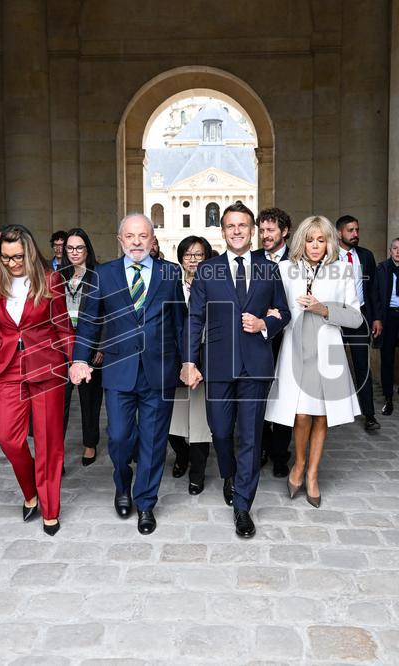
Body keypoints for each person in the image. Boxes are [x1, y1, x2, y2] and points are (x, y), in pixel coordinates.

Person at [70, 214, 185, 536]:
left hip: (159, 370)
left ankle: (146, 502)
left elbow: (180, 322)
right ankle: (123, 485)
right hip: (119, 372)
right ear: (120, 240)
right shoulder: (102, 275)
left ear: (152, 239)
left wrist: (187, 361)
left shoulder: (170, 273)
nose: (137, 242)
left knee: (153, 442)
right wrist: (80, 360)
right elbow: (90, 323)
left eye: (143, 236)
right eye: (130, 236)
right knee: (119, 439)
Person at [182, 201, 291, 539]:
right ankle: (229, 473)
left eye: (243, 225)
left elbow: (284, 313)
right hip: (217, 364)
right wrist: (189, 361)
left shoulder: (268, 268)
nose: (237, 231)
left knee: (250, 435)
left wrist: (263, 323)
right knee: (221, 431)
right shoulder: (208, 269)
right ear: (223, 230)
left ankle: (243, 505)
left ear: (252, 229)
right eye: (231, 226)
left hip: (255, 365)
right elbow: (194, 318)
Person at [264, 216, 362, 508]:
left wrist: (322, 308)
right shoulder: (284, 269)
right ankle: (298, 464)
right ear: (300, 241)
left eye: (321, 240)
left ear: (329, 241)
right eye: (310, 240)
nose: (315, 245)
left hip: (327, 351)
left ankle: (313, 475)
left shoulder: (343, 269)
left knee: (322, 416)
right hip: (295, 349)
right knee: (301, 415)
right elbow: (273, 307)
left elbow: (356, 318)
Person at [0, 225, 73, 536]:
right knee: (9, 439)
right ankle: (30, 491)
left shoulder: (50, 280)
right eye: (6, 258)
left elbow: (64, 327)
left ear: (30, 252)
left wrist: (75, 361)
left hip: (46, 367)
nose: (12, 263)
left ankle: (50, 509)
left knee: (49, 442)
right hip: (7, 368)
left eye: (18, 257)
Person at [167, 236, 213, 495]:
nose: (193, 259)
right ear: (181, 258)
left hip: (204, 361)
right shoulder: (171, 285)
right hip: (174, 362)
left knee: (199, 424)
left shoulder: (215, 284)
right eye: (188, 254)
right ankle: (181, 456)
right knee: (172, 423)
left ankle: (197, 473)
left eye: (199, 255)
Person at [58, 227, 104, 467]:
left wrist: (101, 347)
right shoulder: (58, 277)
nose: (74, 252)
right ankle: (57, 451)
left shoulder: (98, 276)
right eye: (70, 248)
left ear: (87, 249)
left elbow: (108, 314)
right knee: (60, 402)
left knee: (90, 400)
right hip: (61, 347)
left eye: (79, 247)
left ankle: (90, 443)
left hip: (90, 346)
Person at [334, 215, 383, 432]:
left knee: (363, 366)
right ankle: (331, 412)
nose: (355, 234)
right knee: (332, 365)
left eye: (357, 230)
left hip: (359, 316)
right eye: (350, 230)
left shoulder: (365, 256)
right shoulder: (329, 255)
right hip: (334, 316)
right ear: (339, 233)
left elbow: (373, 290)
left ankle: (369, 414)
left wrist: (376, 317)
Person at [256, 207, 293, 477]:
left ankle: (281, 453)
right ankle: (261, 448)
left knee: (284, 397)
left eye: (270, 230)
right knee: (258, 396)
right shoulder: (252, 259)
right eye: (261, 230)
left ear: (284, 231)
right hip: (257, 339)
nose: (264, 235)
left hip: (290, 339)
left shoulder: (298, 261)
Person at [374, 237, 399, 415]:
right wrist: (377, 318)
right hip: (387, 317)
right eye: (395, 248)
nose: (398, 251)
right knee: (386, 358)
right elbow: (376, 296)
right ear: (390, 250)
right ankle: (388, 398)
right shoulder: (382, 268)